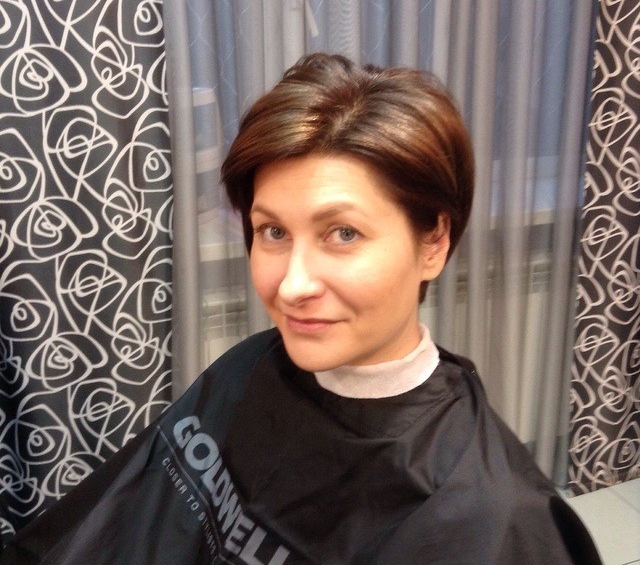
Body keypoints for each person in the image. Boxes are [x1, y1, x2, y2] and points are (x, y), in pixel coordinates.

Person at [0, 54, 602, 564]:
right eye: (273, 232)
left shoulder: (495, 521)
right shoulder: (250, 368)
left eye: (343, 233)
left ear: (434, 242)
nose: (292, 285)